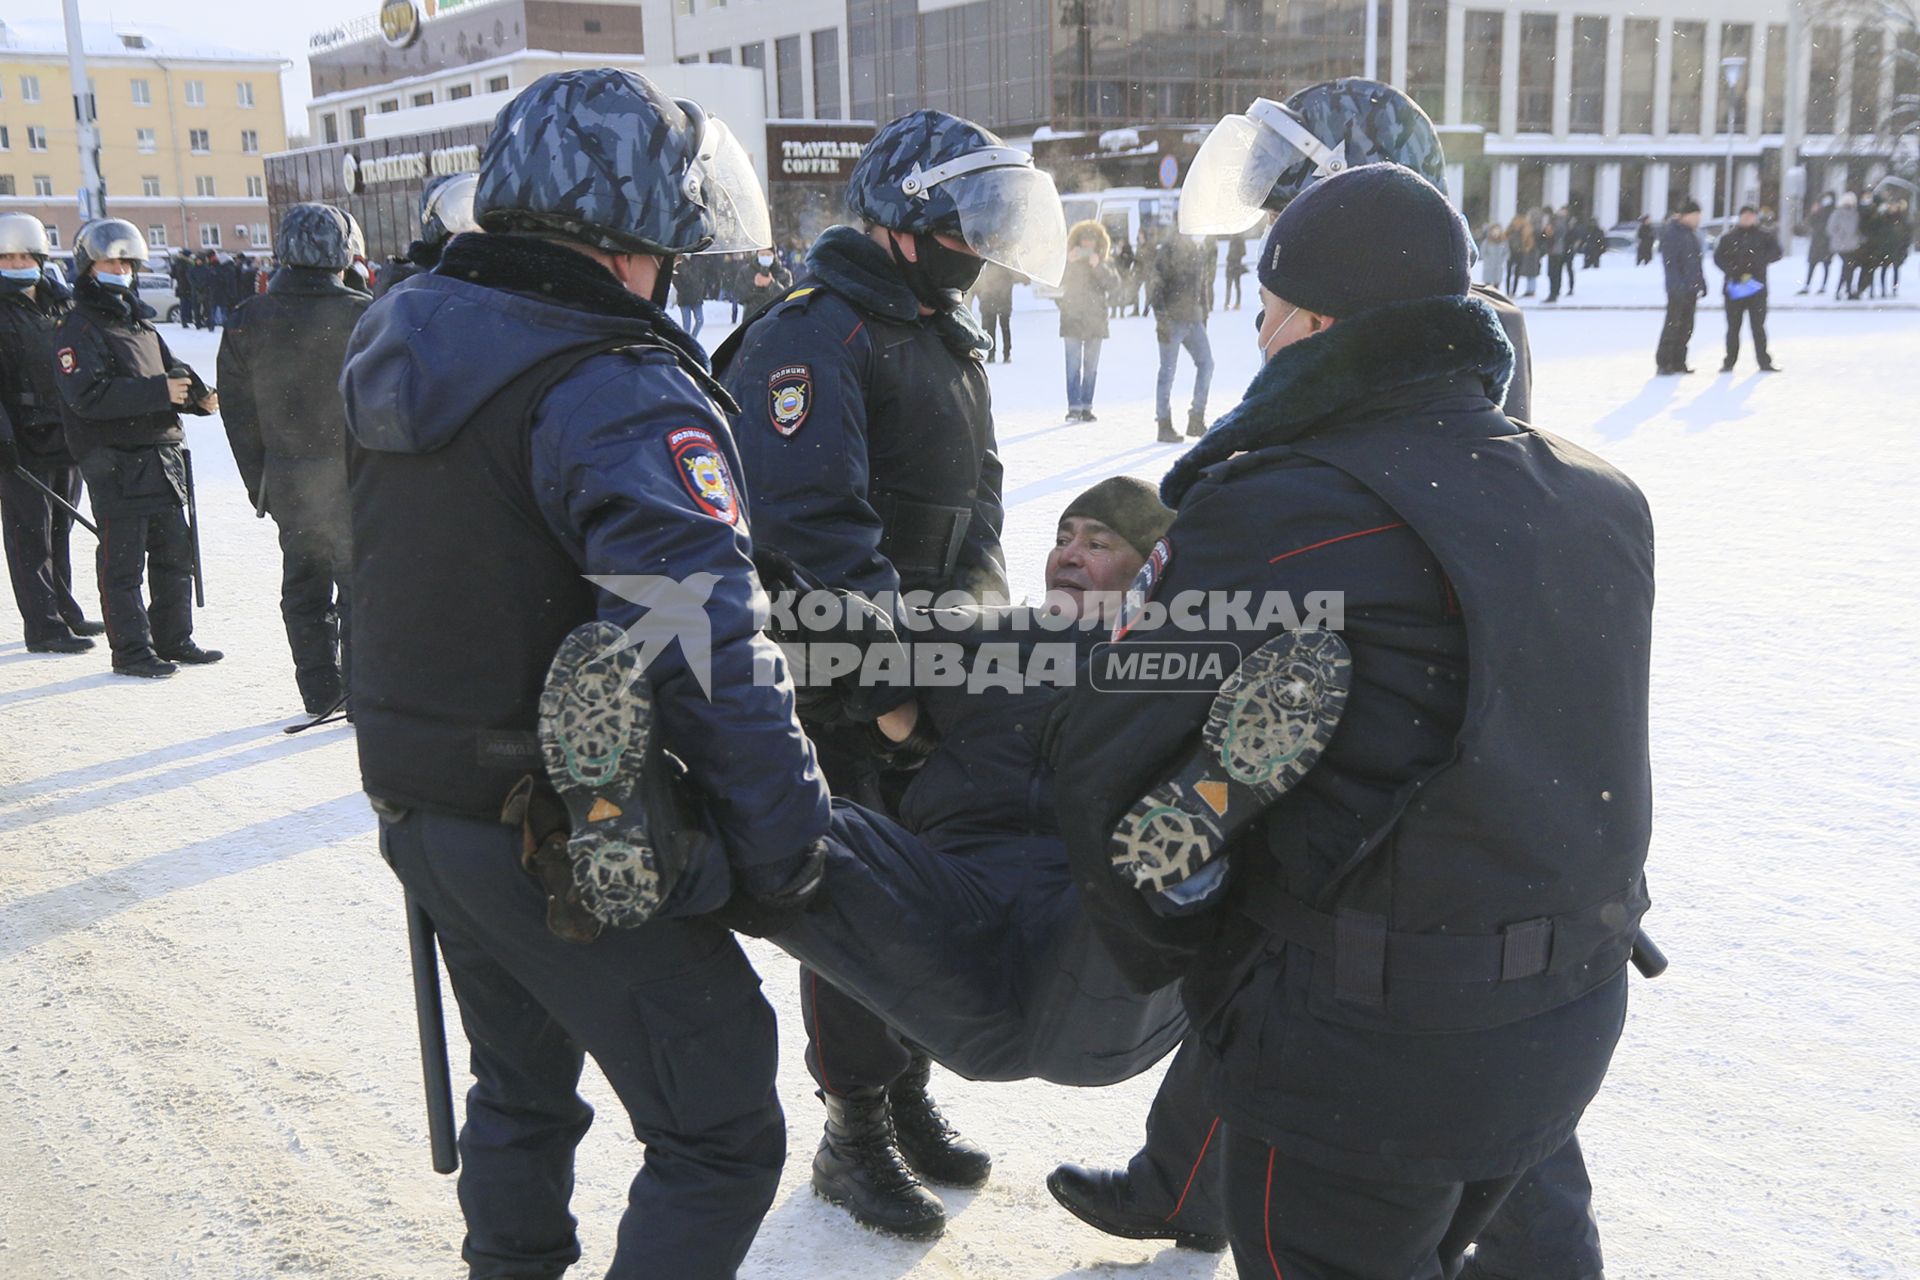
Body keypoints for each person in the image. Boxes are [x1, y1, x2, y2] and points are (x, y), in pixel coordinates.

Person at [1053, 161, 1653, 1280]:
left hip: (1357, 1052)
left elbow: (1109, 764)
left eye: (1269, 308)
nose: (1261, 333)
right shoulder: (1598, 492)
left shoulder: (1275, 505)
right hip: (1568, 1011)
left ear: (1320, 322)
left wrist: (1184, 961)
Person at [339, 68, 829, 1280]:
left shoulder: (412, 335)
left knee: (521, 1087)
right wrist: (787, 839)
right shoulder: (607, 382)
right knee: (718, 1123)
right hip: (557, 820)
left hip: (429, 803)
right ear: (633, 229)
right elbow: (697, 633)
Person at [713, 106, 1064, 1242]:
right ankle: (851, 1126)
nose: (986, 245)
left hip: (928, 677)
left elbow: (979, 517)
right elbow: (817, 537)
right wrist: (894, 692)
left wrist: (970, 657)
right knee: (854, 904)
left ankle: (907, 1087)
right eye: (974, 222)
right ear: (912, 222)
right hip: (838, 687)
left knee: (933, 897)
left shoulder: (939, 333)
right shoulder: (814, 335)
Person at [217, 203, 372, 716]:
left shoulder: (246, 319)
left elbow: (238, 415)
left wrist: (259, 481)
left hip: (287, 477)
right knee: (358, 591)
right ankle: (357, 691)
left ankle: (319, 689)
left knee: (304, 586)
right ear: (344, 250)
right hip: (354, 477)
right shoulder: (365, 315)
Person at [52, 220, 221, 677]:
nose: (120, 269)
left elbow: (172, 369)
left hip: (161, 455)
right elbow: (87, 395)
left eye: (126, 261)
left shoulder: (139, 319)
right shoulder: (78, 326)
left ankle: (174, 638)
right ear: (89, 267)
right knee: (123, 564)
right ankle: (131, 650)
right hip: (114, 459)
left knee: (174, 556)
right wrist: (157, 393)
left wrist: (200, 397)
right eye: (110, 261)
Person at [0, 213, 103, 653]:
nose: (17, 262)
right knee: (30, 534)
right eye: (8, 255)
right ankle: (43, 625)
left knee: (60, 526)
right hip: (19, 438)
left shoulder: (60, 302)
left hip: (63, 430)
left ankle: (65, 609)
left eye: (25, 255)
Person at [1149, 233, 1214, 442]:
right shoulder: (1169, 246)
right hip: (1172, 319)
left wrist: (1204, 314)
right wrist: (1161, 318)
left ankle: (1196, 418)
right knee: (1167, 372)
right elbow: (1155, 284)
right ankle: (1163, 424)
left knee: (1207, 364)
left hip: (1193, 319)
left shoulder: (1199, 247)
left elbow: (1202, 285)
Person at [375, 172, 480, 299]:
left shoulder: (498, 274)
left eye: (479, 234)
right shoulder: (407, 289)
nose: (474, 244)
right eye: (461, 236)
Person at [1057, 219, 1120, 421]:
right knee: (1072, 367)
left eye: (1091, 241)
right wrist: (1067, 263)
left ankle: (1086, 407)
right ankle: (1074, 407)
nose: (1086, 245)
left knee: (1091, 368)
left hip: (1095, 322)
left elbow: (1114, 285)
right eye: (1083, 241)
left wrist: (1098, 266)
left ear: (1098, 243)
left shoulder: (1105, 261)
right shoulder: (1068, 260)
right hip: (1072, 320)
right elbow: (1055, 284)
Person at [1713, 205, 1783, 374]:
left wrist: (1759, 262)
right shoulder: (1729, 237)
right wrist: (1732, 269)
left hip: (1757, 288)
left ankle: (1764, 361)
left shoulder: (1764, 236)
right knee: (1733, 328)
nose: (1748, 219)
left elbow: (1777, 252)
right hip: (1734, 288)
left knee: (1758, 326)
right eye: (1745, 216)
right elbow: (1718, 258)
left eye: (1751, 216)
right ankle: (1729, 361)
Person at [1657, 199, 1706, 375]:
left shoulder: (1690, 233)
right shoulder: (1672, 232)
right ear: (1685, 216)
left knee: (1687, 327)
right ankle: (1664, 363)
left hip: (1691, 288)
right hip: (1677, 289)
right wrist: (1677, 285)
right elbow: (1671, 263)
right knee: (1673, 325)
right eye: (1695, 216)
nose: (1698, 220)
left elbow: (1696, 262)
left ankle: (1679, 361)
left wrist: (1701, 283)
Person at [972, 260, 1016, 362]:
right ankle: (1005, 354)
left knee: (994, 329)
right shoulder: (1006, 267)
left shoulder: (990, 267)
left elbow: (985, 287)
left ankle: (994, 354)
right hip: (1000, 304)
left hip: (994, 303)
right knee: (1003, 329)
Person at [1798, 192, 1836, 294]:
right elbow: (1811, 223)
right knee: (1812, 265)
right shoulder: (1819, 211)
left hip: (1826, 242)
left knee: (1825, 265)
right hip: (1817, 241)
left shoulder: (1832, 211)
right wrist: (1814, 213)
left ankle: (1822, 286)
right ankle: (1807, 285)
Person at [1829, 191, 1864, 300]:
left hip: (1852, 245)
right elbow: (1830, 229)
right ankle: (1843, 290)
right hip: (1841, 246)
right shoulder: (1837, 214)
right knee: (1847, 267)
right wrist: (1841, 235)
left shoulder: (1855, 214)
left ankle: (1845, 290)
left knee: (1849, 268)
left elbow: (1858, 228)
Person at [673, 252, 709, 337]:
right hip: (684, 298)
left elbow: (702, 277)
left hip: (696, 296)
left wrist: (700, 288)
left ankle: (692, 339)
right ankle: (689, 341)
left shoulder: (698, 262)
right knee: (687, 324)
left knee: (700, 320)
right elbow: (675, 280)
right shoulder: (679, 265)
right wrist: (683, 289)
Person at [1479, 221, 1510, 290]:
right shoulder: (1487, 241)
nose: (1495, 232)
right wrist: (1487, 259)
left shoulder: (1503, 242)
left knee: (1496, 286)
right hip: (1489, 266)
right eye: (1494, 230)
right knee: (1487, 287)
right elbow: (1483, 252)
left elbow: (1506, 252)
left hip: (1498, 267)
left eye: (1497, 230)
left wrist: (1502, 260)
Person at [1223, 234, 1246, 309]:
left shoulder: (1240, 240)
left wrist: (1235, 257)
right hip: (1230, 264)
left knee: (1237, 285)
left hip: (1236, 265)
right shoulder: (1232, 239)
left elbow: (1243, 252)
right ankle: (1227, 303)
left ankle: (1238, 303)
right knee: (1228, 286)